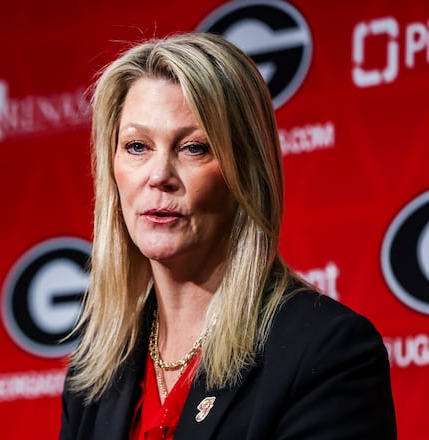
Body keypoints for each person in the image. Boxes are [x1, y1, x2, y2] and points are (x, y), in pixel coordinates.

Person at [59, 32, 396, 440]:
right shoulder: (94, 374)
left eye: (194, 148)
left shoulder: (326, 351)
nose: (159, 175)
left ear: (246, 173)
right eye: (136, 146)